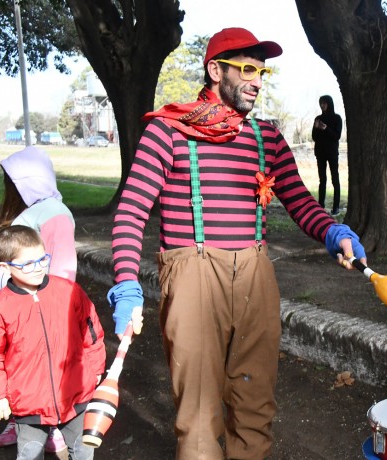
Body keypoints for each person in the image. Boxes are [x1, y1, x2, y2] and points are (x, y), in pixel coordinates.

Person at [106, 27, 366, 459]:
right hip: (192, 271)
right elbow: (132, 211)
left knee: (255, 401)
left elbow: (300, 202)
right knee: (198, 412)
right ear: (215, 70)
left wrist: (332, 231)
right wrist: (127, 283)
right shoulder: (168, 131)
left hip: (254, 272)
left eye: (262, 71)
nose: (257, 80)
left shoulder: (267, 138)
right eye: (247, 69)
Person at [0, 225, 105, 460]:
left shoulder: (68, 290)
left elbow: (90, 330)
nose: (39, 267)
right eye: (27, 264)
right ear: (4, 267)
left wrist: (94, 369)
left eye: (43, 259)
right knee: (30, 453)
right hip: (29, 401)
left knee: (83, 451)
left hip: (75, 393)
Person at [0, 145, 77, 453]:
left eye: (13, 182)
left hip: (36, 310)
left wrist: (49, 306)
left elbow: (63, 267)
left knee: (42, 369)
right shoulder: (34, 211)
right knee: (17, 366)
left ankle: (50, 425)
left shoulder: (54, 213)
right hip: (11, 306)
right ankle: (21, 418)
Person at [312, 94, 343, 216]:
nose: (322, 105)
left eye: (324, 103)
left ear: (329, 104)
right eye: (321, 103)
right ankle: (321, 206)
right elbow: (314, 137)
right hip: (320, 153)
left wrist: (326, 129)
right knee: (322, 180)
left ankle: (336, 207)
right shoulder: (318, 118)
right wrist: (316, 128)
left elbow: (337, 136)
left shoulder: (337, 118)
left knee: (335, 180)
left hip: (332, 153)